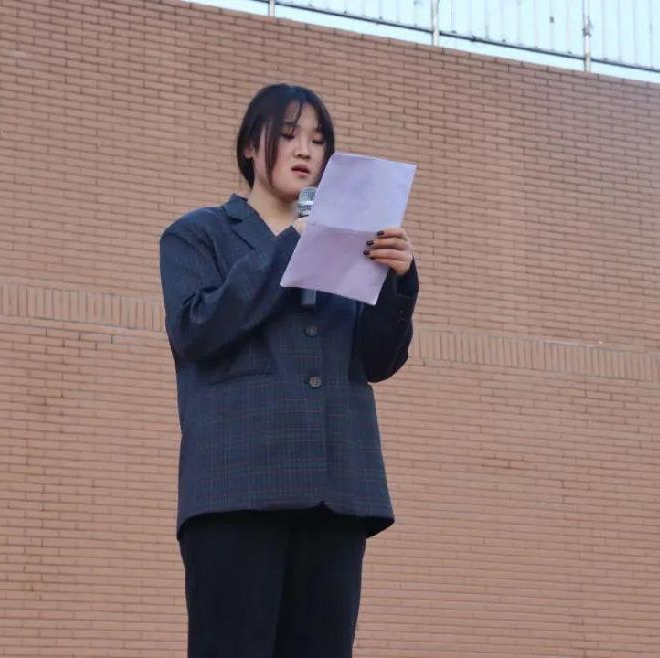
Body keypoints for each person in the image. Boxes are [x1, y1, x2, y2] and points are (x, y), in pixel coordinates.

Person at [158, 83, 418, 658]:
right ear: (250, 146)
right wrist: (291, 245)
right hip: (236, 492)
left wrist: (398, 280)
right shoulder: (197, 234)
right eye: (288, 134)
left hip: (336, 493)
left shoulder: (352, 244)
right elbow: (196, 329)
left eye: (319, 141)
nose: (306, 150)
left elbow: (378, 361)